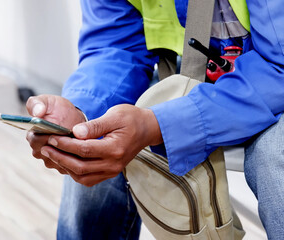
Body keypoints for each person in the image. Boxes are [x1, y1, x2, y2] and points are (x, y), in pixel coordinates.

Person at [26, 0, 284, 239]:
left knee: (275, 155)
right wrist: (83, 112)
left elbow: (279, 67)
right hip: (195, 66)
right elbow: (114, 45)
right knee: (93, 148)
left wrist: (160, 125)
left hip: (272, 72)